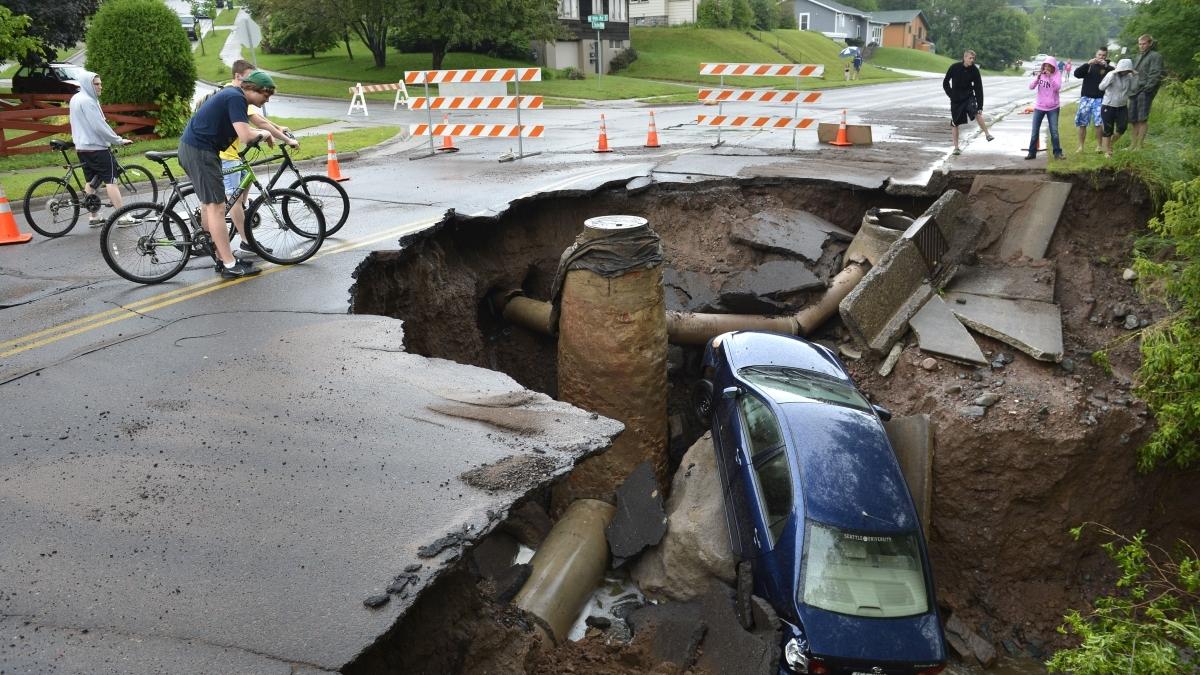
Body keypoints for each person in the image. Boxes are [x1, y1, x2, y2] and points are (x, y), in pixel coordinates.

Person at [177, 71, 278, 278]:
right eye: (266, 95)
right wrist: (265, 133)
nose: (266, 100)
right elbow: (245, 135)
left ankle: (221, 257)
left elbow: (240, 128)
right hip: (200, 152)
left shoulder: (233, 95)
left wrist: (263, 131)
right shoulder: (236, 98)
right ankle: (229, 265)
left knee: (209, 206)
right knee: (217, 207)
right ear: (253, 89)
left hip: (196, 149)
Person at [219, 60, 296, 258]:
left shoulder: (236, 94)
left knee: (245, 181)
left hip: (233, 152)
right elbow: (258, 122)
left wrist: (277, 129)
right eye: (249, 77)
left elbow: (259, 123)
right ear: (238, 77)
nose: (252, 81)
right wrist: (284, 138)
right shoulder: (236, 96)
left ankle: (241, 217)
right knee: (233, 199)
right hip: (225, 155)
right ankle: (246, 241)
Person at [68, 71, 134, 227]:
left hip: (82, 147)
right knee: (111, 180)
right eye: (96, 84)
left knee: (91, 182)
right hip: (97, 147)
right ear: (87, 84)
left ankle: (94, 216)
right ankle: (122, 216)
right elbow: (99, 126)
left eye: (100, 83)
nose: (100, 87)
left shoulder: (76, 98)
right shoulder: (88, 101)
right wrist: (118, 140)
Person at [943, 50, 994, 156]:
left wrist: (980, 105)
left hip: (969, 96)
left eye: (973, 58)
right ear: (965, 57)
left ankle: (987, 134)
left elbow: (978, 88)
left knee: (976, 112)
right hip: (956, 99)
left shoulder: (974, 70)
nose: (972, 60)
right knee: (955, 122)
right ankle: (956, 148)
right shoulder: (954, 67)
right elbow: (945, 82)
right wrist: (951, 94)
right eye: (970, 58)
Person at [1072, 47, 1111, 153]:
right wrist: (1087, 63)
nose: (1101, 57)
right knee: (1082, 123)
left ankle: (1099, 146)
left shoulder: (1108, 69)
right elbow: (1076, 74)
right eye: (1099, 55)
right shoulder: (1089, 66)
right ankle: (1081, 146)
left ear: (1106, 56)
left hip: (1100, 99)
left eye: (1103, 55)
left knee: (1099, 123)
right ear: (1096, 55)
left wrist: (1106, 66)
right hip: (1086, 98)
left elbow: (1114, 74)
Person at [1026, 55, 1065, 160]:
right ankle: (1031, 153)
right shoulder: (1041, 75)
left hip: (1053, 107)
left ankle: (1057, 153)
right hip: (1039, 106)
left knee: (1054, 131)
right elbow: (1031, 87)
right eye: (1045, 66)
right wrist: (1037, 78)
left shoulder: (1057, 75)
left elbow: (1057, 87)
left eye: (1049, 66)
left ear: (1053, 67)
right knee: (1035, 131)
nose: (1046, 68)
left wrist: (1050, 77)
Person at [1128, 34, 1164, 150]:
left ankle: (1139, 145)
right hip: (1134, 90)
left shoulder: (1155, 56)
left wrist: (1147, 88)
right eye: (1140, 44)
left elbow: (1155, 74)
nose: (1141, 46)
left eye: (1144, 44)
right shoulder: (1138, 56)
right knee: (1133, 119)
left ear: (1150, 43)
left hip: (1145, 91)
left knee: (1142, 118)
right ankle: (1132, 145)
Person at [1098, 58, 1137, 158]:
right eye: (1124, 69)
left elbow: (1133, 90)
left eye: (1127, 69)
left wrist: (1134, 77)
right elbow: (1101, 87)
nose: (1125, 71)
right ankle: (1108, 152)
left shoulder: (1129, 76)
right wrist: (1109, 79)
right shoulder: (1111, 74)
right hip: (1108, 105)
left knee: (1122, 127)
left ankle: (1109, 145)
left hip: (1122, 106)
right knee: (1108, 129)